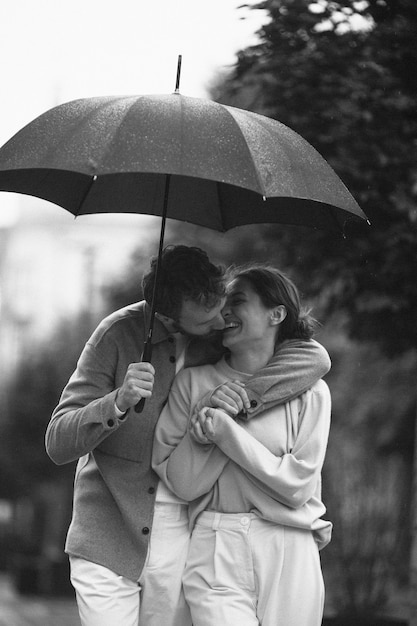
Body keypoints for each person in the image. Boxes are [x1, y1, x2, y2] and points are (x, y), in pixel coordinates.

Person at [45, 246, 330, 626]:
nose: (220, 323)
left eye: (223, 307)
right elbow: (58, 442)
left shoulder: (219, 336)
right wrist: (117, 401)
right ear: (168, 317)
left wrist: (237, 403)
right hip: (109, 528)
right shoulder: (116, 335)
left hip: (179, 530)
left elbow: (314, 358)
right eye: (206, 320)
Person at [152, 263, 332, 626]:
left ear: (276, 314)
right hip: (216, 546)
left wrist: (225, 430)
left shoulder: (311, 392)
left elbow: (297, 487)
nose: (225, 312)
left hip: (289, 544)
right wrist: (203, 435)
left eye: (237, 301)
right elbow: (183, 485)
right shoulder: (192, 384)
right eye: (223, 303)